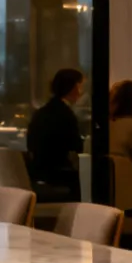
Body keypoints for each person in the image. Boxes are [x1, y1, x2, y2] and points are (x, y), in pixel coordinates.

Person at [25, 67, 85, 203]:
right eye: (80, 87)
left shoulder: (41, 112)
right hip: (56, 174)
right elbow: (76, 145)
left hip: (38, 172)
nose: (81, 93)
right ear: (73, 87)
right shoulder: (65, 114)